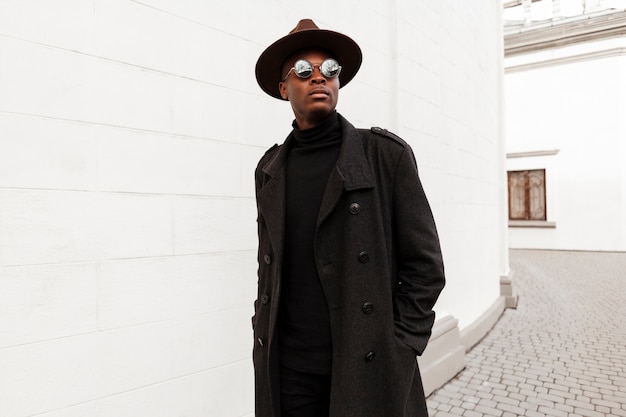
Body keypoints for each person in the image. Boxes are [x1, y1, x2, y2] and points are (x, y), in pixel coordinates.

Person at [252, 18, 445, 417]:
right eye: (304, 70)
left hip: (366, 365)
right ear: (284, 87)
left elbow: (425, 267)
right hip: (288, 370)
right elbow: (266, 266)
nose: (319, 77)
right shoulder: (269, 169)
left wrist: (401, 344)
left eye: (331, 69)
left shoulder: (384, 156)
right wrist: (261, 325)